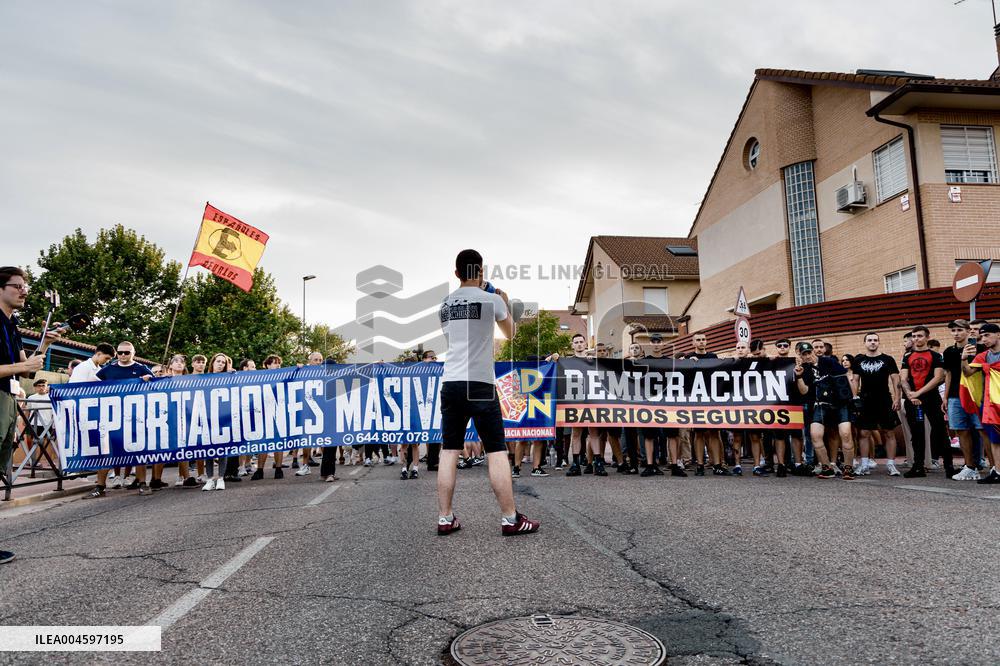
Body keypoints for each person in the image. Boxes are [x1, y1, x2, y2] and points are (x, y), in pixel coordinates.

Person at [436, 249, 538, 536]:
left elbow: (454, 337)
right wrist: (502, 299)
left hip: (452, 381)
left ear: (456, 273)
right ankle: (510, 518)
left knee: (449, 451)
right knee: (495, 451)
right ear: (480, 271)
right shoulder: (491, 299)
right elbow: (510, 334)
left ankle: (445, 517)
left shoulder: (444, 304)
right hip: (480, 383)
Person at [0, 268, 59, 564]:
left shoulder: (13, 324)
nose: (24, 291)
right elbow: (13, 368)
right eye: (18, 286)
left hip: (9, 398)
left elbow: (26, 370)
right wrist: (17, 368)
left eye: (25, 286)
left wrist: (45, 345)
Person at [97, 341, 156, 494]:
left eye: (127, 352)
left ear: (133, 353)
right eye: (120, 352)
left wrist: (149, 380)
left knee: (138, 451)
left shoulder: (141, 369)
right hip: (112, 417)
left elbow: (156, 388)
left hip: (136, 417)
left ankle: (143, 483)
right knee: (107, 451)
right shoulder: (108, 369)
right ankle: (99, 486)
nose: (123, 355)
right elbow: (92, 388)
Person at [795, 341, 856, 480]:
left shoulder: (828, 362)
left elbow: (845, 377)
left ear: (813, 352)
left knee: (846, 434)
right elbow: (804, 391)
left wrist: (853, 398)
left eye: (809, 352)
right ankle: (826, 467)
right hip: (820, 405)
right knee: (815, 434)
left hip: (839, 403)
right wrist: (798, 376)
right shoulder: (804, 369)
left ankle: (848, 467)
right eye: (804, 354)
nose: (808, 356)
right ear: (801, 356)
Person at [900, 325, 954, 479]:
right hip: (913, 400)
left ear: (927, 337)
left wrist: (918, 393)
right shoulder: (907, 356)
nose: (916, 339)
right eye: (914, 336)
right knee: (917, 433)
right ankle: (918, 467)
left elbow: (939, 378)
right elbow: (903, 378)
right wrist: (910, 394)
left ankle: (949, 467)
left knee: (939, 432)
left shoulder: (935, 356)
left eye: (920, 336)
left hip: (931, 398)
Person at [850, 333, 902, 476]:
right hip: (866, 400)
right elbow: (855, 380)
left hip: (884, 399)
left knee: (889, 432)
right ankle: (865, 464)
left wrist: (897, 398)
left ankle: (891, 465)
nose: (872, 342)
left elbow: (895, 379)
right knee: (864, 432)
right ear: (865, 342)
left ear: (879, 342)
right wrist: (855, 398)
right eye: (869, 340)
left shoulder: (887, 359)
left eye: (875, 340)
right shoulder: (859, 360)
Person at [942, 320, 985, 481]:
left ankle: (995, 467)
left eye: (959, 330)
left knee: (983, 430)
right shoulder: (948, 351)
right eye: (953, 330)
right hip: (954, 395)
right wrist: (945, 397)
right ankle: (970, 467)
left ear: (968, 331)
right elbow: (948, 375)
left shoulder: (979, 349)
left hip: (976, 395)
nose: (956, 333)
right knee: (961, 430)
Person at [964, 323, 1000, 484]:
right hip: (991, 404)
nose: (983, 339)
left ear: (998, 334)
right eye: (982, 336)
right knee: (995, 439)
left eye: (987, 335)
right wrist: (964, 359)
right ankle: (998, 471)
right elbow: (967, 373)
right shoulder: (983, 356)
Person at [163, 354, 199, 487]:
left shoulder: (189, 380)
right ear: (170, 365)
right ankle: (156, 479)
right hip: (168, 418)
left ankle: (186, 477)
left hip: (186, 417)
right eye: (176, 361)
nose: (179, 363)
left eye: (182, 362)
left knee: (183, 446)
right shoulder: (164, 380)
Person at [203, 353, 236, 491]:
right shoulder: (203, 378)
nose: (221, 364)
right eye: (218, 361)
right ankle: (210, 479)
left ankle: (221, 478)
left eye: (223, 362)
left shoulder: (228, 377)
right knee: (208, 451)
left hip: (223, 417)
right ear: (213, 363)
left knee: (222, 449)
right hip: (207, 418)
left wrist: (233, 375)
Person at [253, 354, 287, 479]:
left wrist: (299, 368)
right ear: (267, 365)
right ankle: (259, 470)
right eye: (274, 362)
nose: (278, 365)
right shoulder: (261, 378)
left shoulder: (284, 376)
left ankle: (278, 468)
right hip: (264, 415)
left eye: (279, 363)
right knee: (264, 442)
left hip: (279, 413)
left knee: (279, 442)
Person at [294, 351, 325, 474]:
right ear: (310, 361)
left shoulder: (325, 372)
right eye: (316, 360)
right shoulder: (303, 372)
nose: (318, 362)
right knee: (307, 439)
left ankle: (327, 467)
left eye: (320, 360)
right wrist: (297, 369)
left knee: (325, 440)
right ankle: (305, 465)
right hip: (307, 411)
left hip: (323, 410)